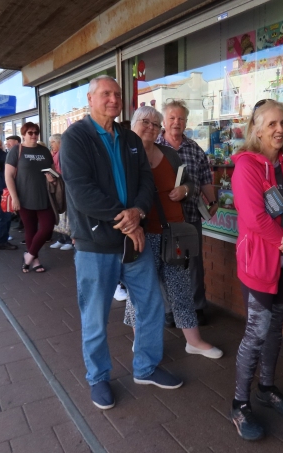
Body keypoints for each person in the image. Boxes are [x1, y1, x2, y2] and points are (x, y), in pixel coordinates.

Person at [60, 75, 182, 410]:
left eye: (117, 94)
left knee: (151, 304)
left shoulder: (129, 137)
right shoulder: (76, 137)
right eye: (105, 94)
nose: (113, 99)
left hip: (134, 240)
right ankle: (98, 378)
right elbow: (81, 191)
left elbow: (145, 180)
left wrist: (139, 211)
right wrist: (127, 221)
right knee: (96, 316)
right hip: (96, 244)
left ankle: (145, 367)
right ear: (90, 98)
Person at [228, 99, 283, 441]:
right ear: (256, 129)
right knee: (257, 333)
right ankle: (239, 404)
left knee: (275, 329)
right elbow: (255, 218)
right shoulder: (245, 166)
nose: (279, 129)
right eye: (272, 124)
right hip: (261, 263)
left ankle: (266, 388)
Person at [122, 106, 223, 359]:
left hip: (173, 232)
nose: (150, 127)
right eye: (145, 122)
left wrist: (185, 191)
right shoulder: (124, 155)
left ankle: (193, 340)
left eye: (155, 124)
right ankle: (140, 339)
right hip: (142, 233)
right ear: (134, 124)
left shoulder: (169, 154)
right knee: (140, 291)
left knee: (180, 289)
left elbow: (189, 181)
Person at [157, 100, 218, 326]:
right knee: (166, 263)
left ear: (186, 122)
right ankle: (170, 309)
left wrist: (212, 200)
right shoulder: (153, 147)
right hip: (162, 218)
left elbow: (204, 179)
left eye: (181, 118)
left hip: (191, 215)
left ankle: (197, 306)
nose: (176, 122)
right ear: (164, 121)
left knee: (193, 263)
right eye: (172, 118)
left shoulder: (194, 149)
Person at [5, 123, 56, 272]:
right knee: (30, 229)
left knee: (47, 227)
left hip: (44, 196)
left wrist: (52, 178)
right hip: (24, 196)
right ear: (24, 135)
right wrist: (14, 197)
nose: (34, 135)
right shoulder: (16, 150)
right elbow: (8, 176)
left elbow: (52, 171)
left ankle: (29, 255)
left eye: (36, 133)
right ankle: (36, 260)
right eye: (30, 133)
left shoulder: (44, 150)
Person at [48, 133, 73, 251]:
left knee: (66, 213)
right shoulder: (53, 155)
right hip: (58, 186)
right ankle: (61, 238)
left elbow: (66, 171)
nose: (51, 145)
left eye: (53, 142)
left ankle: (68, 239)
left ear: (59, 142)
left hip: (65, 186)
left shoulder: (64, 154)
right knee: (59, 212)